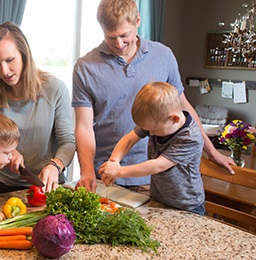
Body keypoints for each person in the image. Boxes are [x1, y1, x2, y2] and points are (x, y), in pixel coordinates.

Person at [72, 0, 234, 193]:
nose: (119, 44)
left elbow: (184, 107)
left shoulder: (163, 56)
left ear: (138, 20)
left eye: (125, 35)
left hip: (154, 176)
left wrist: (212, 152)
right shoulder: (85, 67)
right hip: (106, 175)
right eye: (110, 37)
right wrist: (87, 171)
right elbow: (83, 126)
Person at [0, 22, 75, 193]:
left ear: (24, 54)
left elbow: (68, 142)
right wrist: (9, 152)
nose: (5, 71)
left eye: (10, 60)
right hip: (3, 187)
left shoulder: (55, 89)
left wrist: (55, 166)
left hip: (47, 186)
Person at [99, 82, 205, 215]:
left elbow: (158, 165)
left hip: (186, 205)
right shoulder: (157, 119)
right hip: (159, 198)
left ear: (174, 119)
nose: (151, 133)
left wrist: (119, 172)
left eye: (154, 130)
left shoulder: (190, 138)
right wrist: (114, 162)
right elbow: (129, 139)